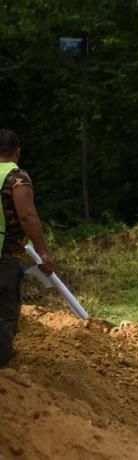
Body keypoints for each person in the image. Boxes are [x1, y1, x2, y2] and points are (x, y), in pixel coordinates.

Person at [0, 129, 53, 368]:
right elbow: (27, 216)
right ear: (17, 152)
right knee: (5, 310)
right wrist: (43, 251)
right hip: (4, 256)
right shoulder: (16, 178)